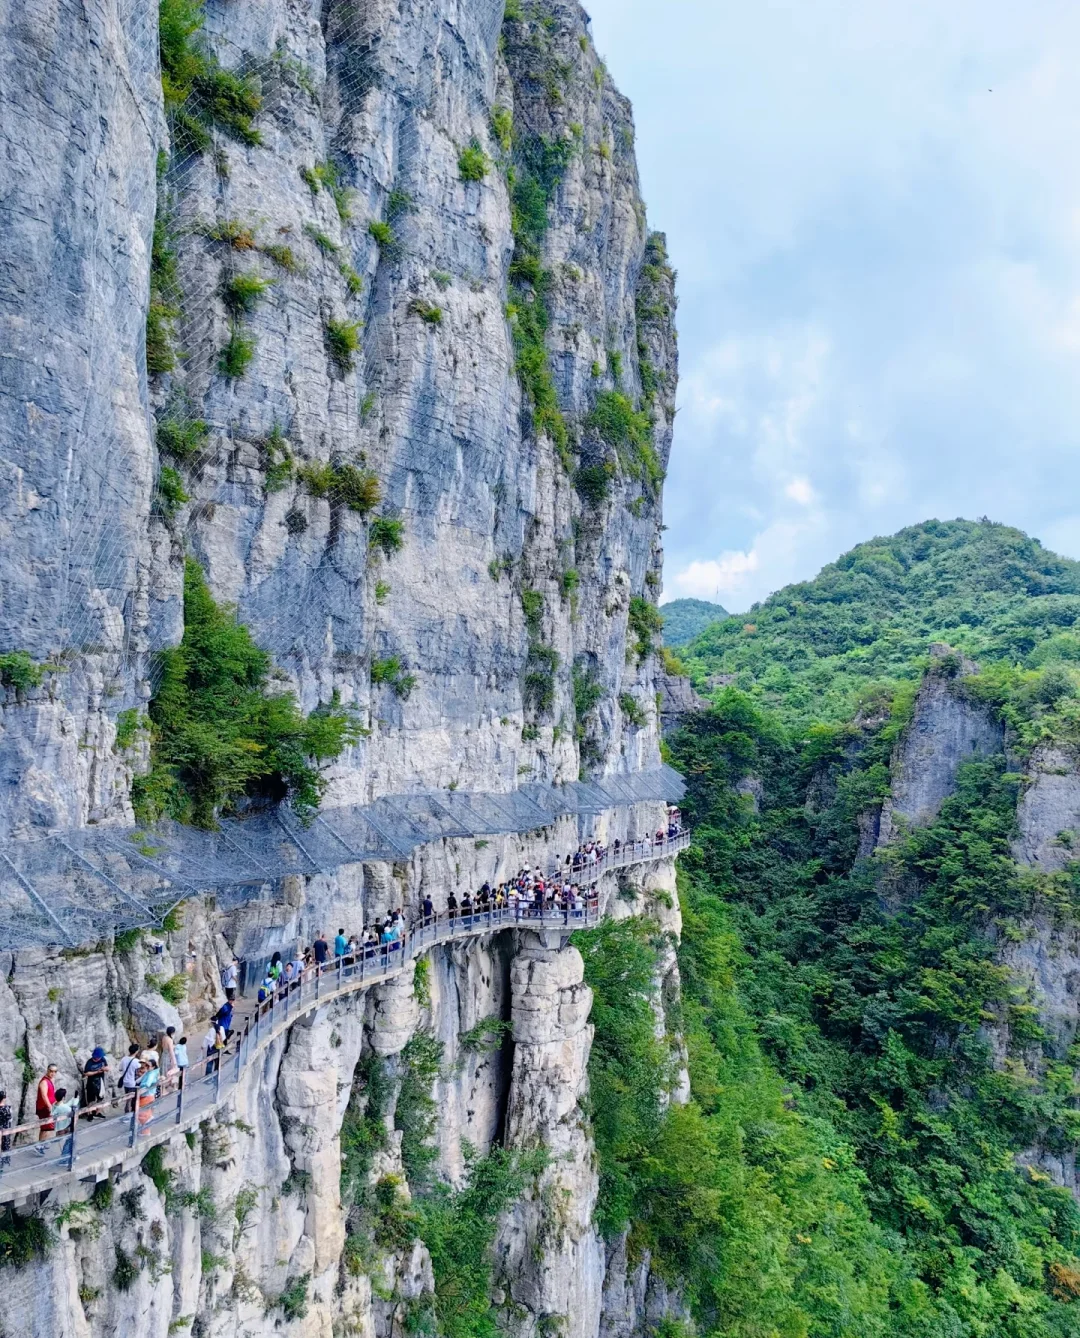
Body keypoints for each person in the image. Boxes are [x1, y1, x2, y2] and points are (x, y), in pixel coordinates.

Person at [82, 1047, 109, 1117]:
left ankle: (97, 1112)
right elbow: (86, 1073)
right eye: (99, 1057)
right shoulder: (89, 1062)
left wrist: (104, 1069)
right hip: (91, 1082)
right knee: (91, 1099)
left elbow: (108, 1067)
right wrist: (96, 1072)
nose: (100, 1058)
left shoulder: (103, 1059)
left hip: (100, 1082)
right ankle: (90, 1113)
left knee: (100, 1098)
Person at [53, 1086, 78, 1156]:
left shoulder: (54, 1105)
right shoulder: (65, 1108)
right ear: (63, 1098)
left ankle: (67, 1156)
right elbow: (73, 1111)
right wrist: (75, 1101)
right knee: (70, 1140)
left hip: (58, 1127)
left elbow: (64, 1105)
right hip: (65, 1127)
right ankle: (65, 1158)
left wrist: (72, 1100)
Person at [36, 1064, 57, 1145]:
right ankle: (39, 1145)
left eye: (55, 1071)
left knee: (46, 1127)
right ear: (47, 1070)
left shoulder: (51, 1080)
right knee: (46, 1128)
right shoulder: (44, 1082)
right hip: (44, 1107)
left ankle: (42, 1143)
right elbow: (44, 1095)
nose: (53, 1073)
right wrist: (50, 1107)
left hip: (48, 1107)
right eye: (51, 1071)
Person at [119, 1043, 141, 1112]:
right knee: (131, 1100)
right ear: (136, 1051)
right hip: (132, 1083)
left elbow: (120, 1069)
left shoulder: (124, 1059)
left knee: (127, 1099)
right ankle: (128, 1115)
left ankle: (128, 1113)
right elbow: (140, 1070)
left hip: (125, 1082)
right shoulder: (136, 1061)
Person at [0, 1090, 11, 1169]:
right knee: (5, 1144)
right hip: (5, 1128)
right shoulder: (6, 1108)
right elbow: (9, 1118)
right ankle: (4, 1161)